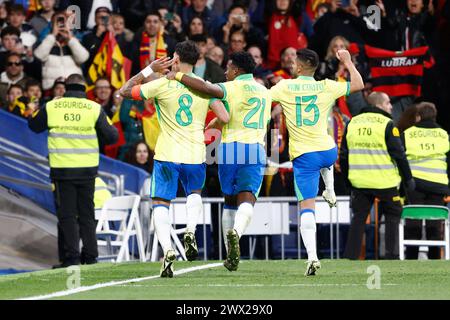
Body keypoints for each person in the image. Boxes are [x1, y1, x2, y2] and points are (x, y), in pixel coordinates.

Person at [119, 41, 229, 277]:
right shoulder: (204, 86)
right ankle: (190, 229)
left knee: (160, 203)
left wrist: (149, 69)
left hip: (167, 154)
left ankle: (168, 250)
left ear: (176, 60)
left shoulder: (161, 84)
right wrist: (210, 127)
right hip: (195, 153)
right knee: (194, 195)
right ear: (197, 61)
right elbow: (224, 115)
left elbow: (124, 91)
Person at [167, 51, 272, 272]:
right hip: (254, 148)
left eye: (228, 68)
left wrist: (177, 76)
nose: (225, 72)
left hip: (229, 148)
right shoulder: (265, 92)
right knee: (248, 199)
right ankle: (237, 234)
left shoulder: (230, 87)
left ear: (237, 70)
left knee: (230, 200)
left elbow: (205, 88)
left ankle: (228, 251)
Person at [270, 48, 364, 275]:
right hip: (329, 151)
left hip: (305, 156)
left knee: (307, 207)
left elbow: (262, 98)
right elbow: (359, 85)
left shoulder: (284, 87)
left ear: (299, 67)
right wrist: (348, 62)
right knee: (326, 160)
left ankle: (312, 257)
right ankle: (330, 190)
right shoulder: (327, 85)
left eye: (294, 62)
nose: (292, 64)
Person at [28, 73, 118, 267]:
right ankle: (91, 257)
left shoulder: (52, 106)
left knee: (67, 215)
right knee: (87, 214)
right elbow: (112, 136)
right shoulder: (94, 108)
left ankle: (72, 259)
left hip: (63, 170)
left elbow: (33, 125)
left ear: (66, 88)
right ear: (85, 88)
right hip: (87, 171)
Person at [340, 91, 415, 260]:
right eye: (388, 102)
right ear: (379, 105)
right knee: (393, 215)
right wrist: (408, 179)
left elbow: (343, 155)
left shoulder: (352, 122)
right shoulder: (387, 123)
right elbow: (399, 155)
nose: (390, 106)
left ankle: (350, 257)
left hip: (359, 181)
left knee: (358, 219)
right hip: (384, 182)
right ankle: (391, 255)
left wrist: (348, 182)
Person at [402, 102, 450, 259]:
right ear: (435, 116)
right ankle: (435, 259)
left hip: (415, 184)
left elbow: (400, 160)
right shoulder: (444, 135)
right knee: (435, 223)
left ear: (418, 116)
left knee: (413, 223)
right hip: (438, 184)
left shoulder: (408, 134)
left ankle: (410, 259)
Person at [34, 11, 89, 91]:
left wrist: (70, 38)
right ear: (52, 25)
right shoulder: (47, 41)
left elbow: (83, 58)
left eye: (64, 21)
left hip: (73, 89)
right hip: (52, 90)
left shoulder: (74, 41)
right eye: (58, 21)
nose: (61, 24)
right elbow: (39, 56)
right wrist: (52, 36)